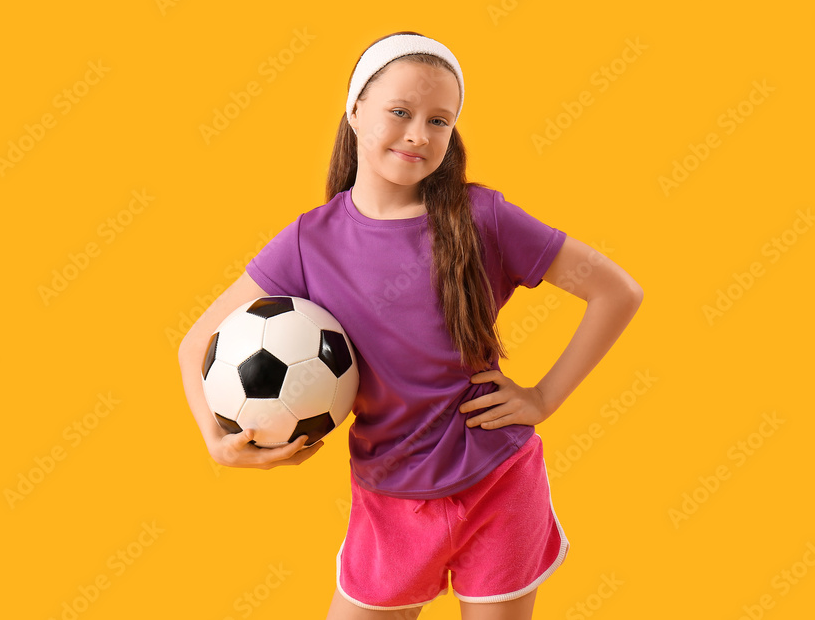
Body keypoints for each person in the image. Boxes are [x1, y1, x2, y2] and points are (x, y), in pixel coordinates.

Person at [178, 31, 644, 620]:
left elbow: (616, 291)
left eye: (440, 120)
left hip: (498, 482)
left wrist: (544, 397)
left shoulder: (483, 218)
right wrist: (219, 445)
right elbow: (196, 344)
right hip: (388, 495)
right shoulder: (308, 241)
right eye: (400, 112)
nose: (419, 134)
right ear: (354, 111)